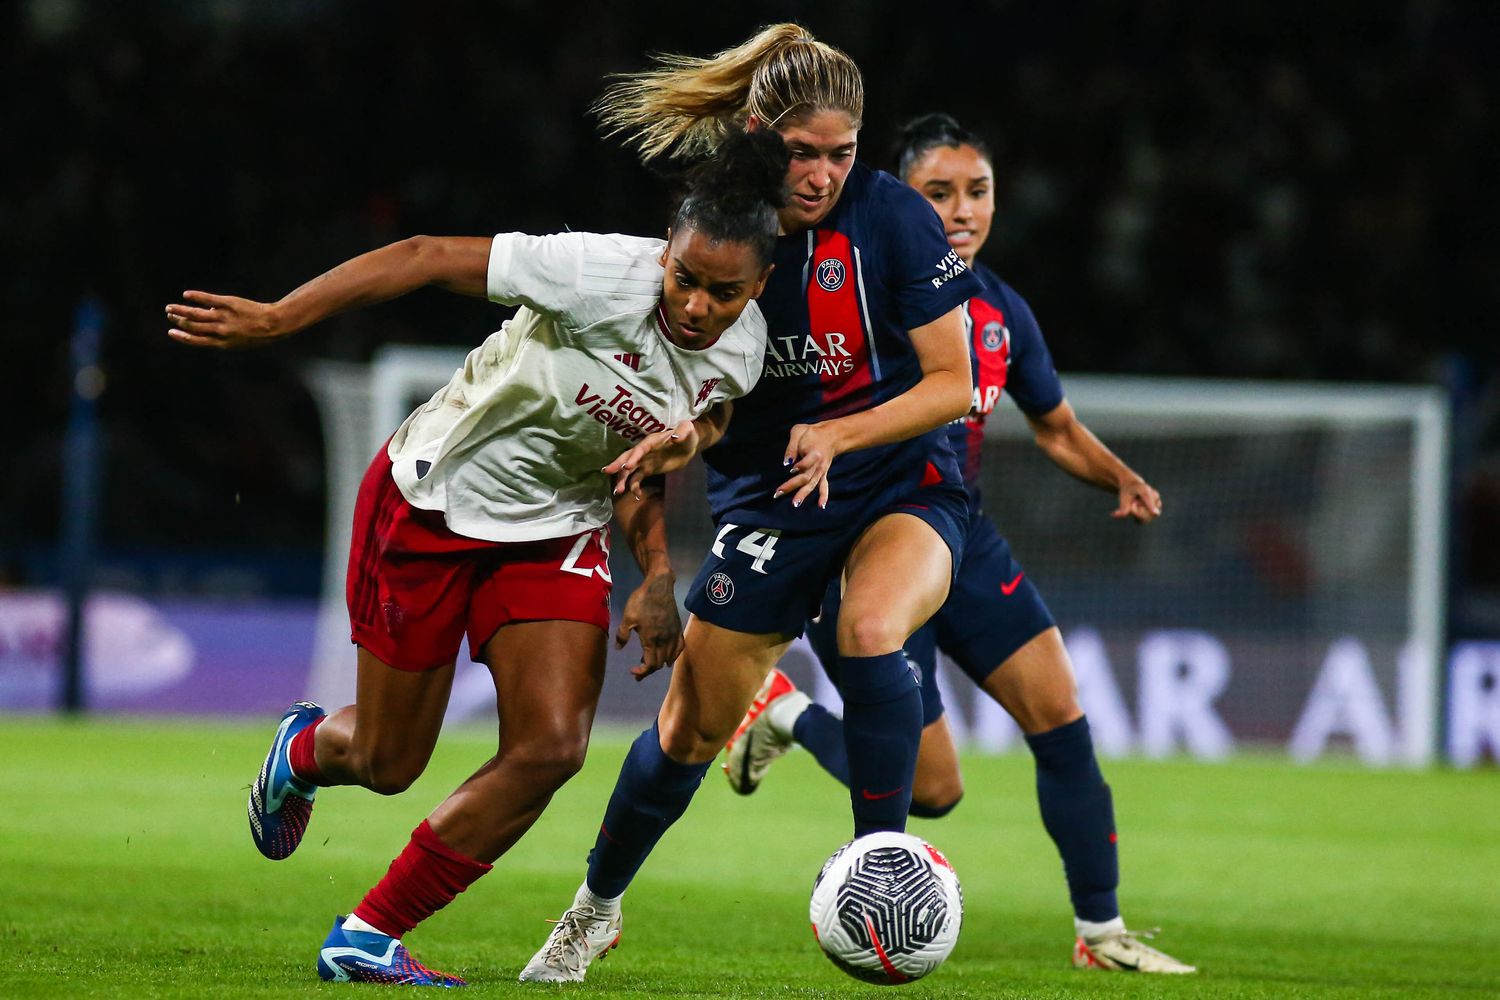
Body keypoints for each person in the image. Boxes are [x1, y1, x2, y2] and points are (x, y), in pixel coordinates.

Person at [164, 128, 789, 987]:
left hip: (556, 528)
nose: (695, 307)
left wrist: (654, 570)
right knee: (389, 764)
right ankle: (305, 751)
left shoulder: (743, 353)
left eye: (725, 292)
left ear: (759, 287)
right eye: (685, 278)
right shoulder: (595, 273)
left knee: (553, 747)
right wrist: (280, 319)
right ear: (666, 252)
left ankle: (367, 934)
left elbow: (637, 460)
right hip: (434, 502)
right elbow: (422, 255)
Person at [520, 25, 982, 984]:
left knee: (869, 627)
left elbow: (954, 383)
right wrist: (687, 440)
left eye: (841, 154)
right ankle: (593, 910)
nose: (820, 176)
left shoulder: (894, 220)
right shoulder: (718, 231)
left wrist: (843, 433)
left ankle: (877, 875)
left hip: (900, 477)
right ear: (759, 131)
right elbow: (710, 401)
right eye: (802, 153)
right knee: (688, 731)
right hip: (769, 499)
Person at [721, 113, 1195, 974]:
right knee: (936, 791)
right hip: (867, 541)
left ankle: (1102, 935)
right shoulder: (861, 282)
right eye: (939, 192)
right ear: (902, 196)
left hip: (958, 531)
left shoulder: (1001, 310)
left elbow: (1054, 427)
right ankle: (783, 713)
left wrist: (1117, 475)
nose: (963, 209)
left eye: (977, 192)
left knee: (1062, 717)